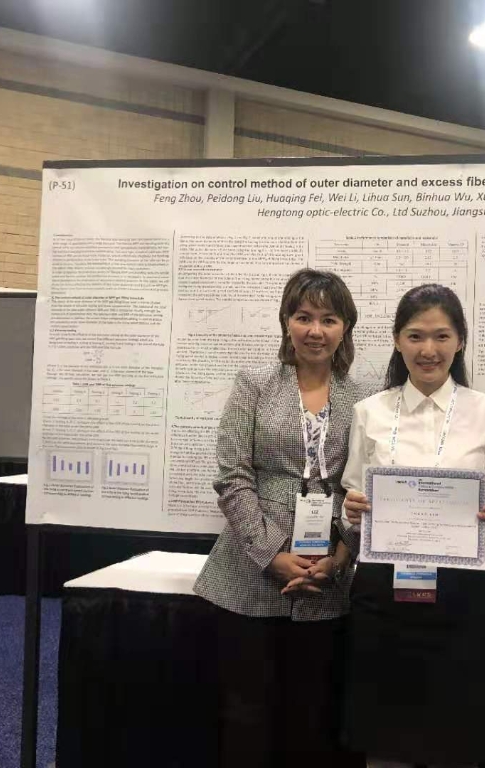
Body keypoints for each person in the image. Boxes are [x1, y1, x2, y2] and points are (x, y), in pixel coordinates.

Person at [192, 268, 369, 768]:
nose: (315, 330)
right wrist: (272, 554)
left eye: (329, 319)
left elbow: (361, 486)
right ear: (286, 322)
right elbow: (233, 476)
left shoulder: (363, 397)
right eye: (303, 317)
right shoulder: (255, 384)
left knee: (312, 717)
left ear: (345, 328)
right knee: (246, 715)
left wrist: (341, 557)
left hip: (327, 573)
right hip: (248, 571)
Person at [340, 283, 485, 767]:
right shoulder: (370, 411)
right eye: (415, 336)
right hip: (384, 590)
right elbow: (351, 491)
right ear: (398, 341)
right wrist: (351, 510)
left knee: (457, 733)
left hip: (463, 593)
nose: (428, 349)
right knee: (384, 733)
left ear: (460, 341)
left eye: (441, 336)